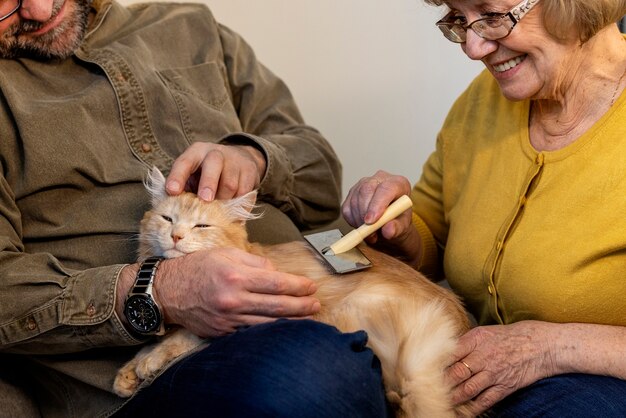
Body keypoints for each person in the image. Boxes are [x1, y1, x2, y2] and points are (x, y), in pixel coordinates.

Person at [0, 0, 390, 416]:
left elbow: (324, 179)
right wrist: (159, 291)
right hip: (156, 380)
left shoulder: (192, 23)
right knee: (308, 372)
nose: (40, 11)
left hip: (326, 299)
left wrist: (255, 156)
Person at [342, 0, 626, 416]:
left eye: (493, 16)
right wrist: (399, 228)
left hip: (598, 382)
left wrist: (551, 347)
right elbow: (436, 238)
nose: (473, 48)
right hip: (478, 366)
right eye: (459, 19)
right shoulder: (483, 102)